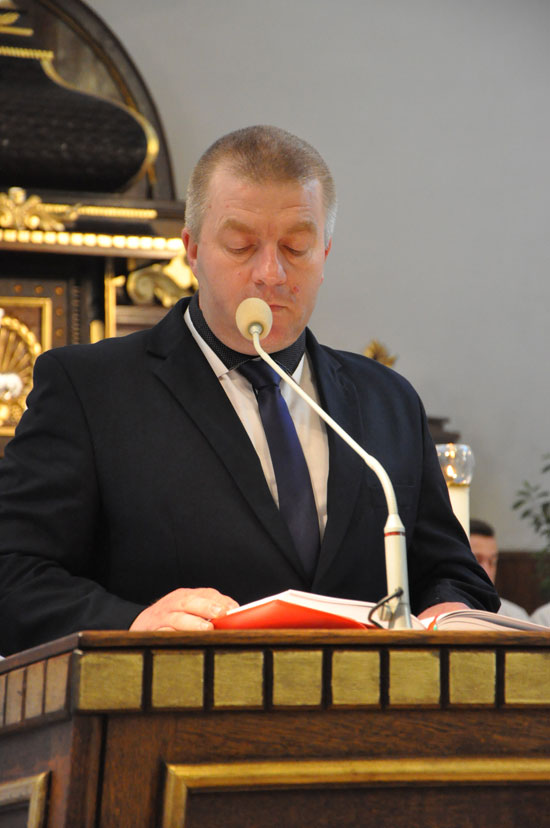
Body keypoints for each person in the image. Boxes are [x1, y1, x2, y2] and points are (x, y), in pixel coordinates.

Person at [0, 125, 498, 656]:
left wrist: (449, 612)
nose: (271, 274)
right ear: (192, 249)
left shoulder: (387, 401)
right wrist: (132, 625)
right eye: (241, 246)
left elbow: (452, 574)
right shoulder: (90, 389)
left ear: (325, 253)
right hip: (173, 696)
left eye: (296, 247)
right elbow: (13, 572)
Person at [469, 518, 529, 619]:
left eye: (492, 562)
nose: (486, 571)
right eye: (477, 560)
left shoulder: (514, 616)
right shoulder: (447, 614)